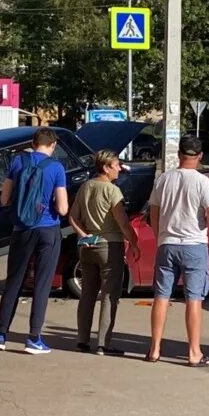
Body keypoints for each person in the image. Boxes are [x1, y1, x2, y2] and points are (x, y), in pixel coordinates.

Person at [145, 135, 209, 367]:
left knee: (161, 296)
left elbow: (154, 213)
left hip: (167, 244)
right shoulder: (202, 182)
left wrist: (160, 235)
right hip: (193, 245)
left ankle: (155, 349)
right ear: (200, 156)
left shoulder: (163, 179)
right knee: (194, 299)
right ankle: (193, 352)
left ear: (178, 154)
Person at [0, 128, 69, 355]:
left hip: (21, 230)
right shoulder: (56, 167)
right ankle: (34, 338)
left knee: (13, 282)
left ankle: (0, 335)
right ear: (53, 145)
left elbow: (4, 198)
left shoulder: (18, 162)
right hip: (47, 230)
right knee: (42, 284)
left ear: (32, 143)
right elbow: (63, 208)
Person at [68, 150, 140, 356]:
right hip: (110, 245)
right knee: (110, 295)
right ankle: (103, 343)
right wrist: (134, 243)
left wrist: (83, 235)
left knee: (88, 294)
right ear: (106, 167)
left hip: (87, 246)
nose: (120, 168)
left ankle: (82, 340)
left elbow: (73, 217)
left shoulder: (85, 186)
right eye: (117, 165)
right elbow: (123, 222)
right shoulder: (112, 191)